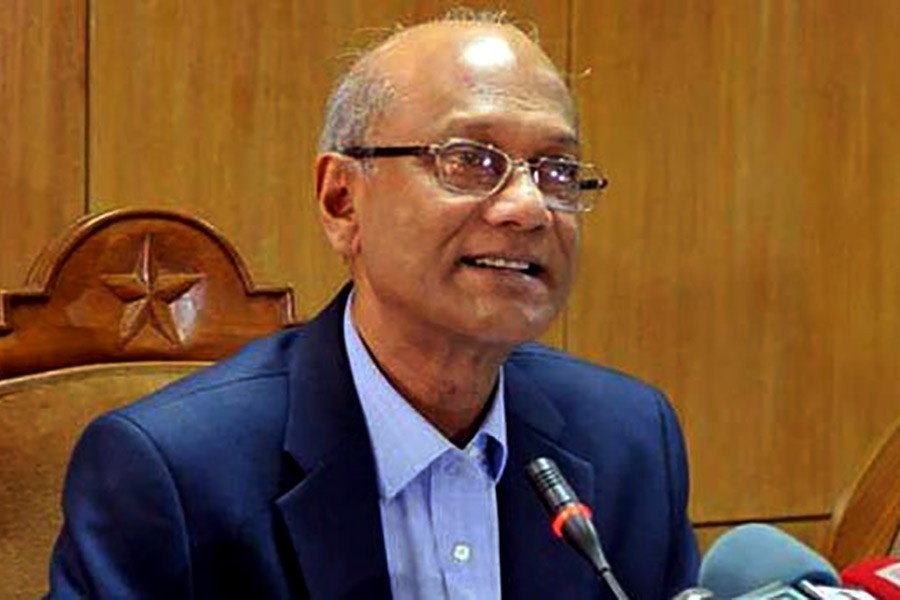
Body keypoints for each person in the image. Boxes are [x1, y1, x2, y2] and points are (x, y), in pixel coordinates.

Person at [48, 11, 699, 600]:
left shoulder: (630, 439)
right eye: (470, 160)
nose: (528, 207)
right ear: (342, 201)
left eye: (556, 170)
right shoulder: (172, 472)